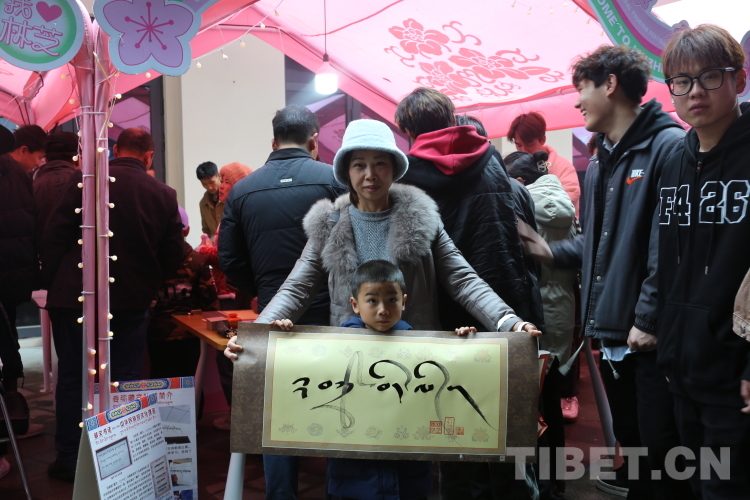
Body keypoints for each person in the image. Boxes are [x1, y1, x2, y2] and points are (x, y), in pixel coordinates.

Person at [519, 45, 692, 500]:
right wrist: (551, 252)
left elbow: (669, 247)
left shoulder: (669, 147)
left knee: (663, 454)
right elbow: (599, 241)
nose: (578, 102)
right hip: (615, 330)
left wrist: (648, 319)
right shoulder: (600, 161)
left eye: (582, 89)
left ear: (610, 84)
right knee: (632, 443)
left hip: (649, 337)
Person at [396, 88, 543, 499]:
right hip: (504, 301)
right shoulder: (491, 160)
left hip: (449, 311)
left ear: (408, 130)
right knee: (504, 422)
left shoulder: (409, 175)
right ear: (451, 117)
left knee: (452, 420)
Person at [42, 128, 183, 482]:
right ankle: (119, 463)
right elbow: (173, 254)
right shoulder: (163, 193)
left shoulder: (84, 180)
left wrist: (57, 280)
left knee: (73, 376)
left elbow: (54, 236)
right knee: (124, 379)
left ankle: (69, 457)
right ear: (149, 156)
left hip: (73, 296)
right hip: (131, 299)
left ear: (117, 150)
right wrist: (149, 282)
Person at [269, 259, 477, 500]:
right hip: (353, 477)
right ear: (355, 305)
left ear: (404, 302)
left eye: (391, 300)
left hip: (407, 476)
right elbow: (303, 371)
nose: (383, 309)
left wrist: (461, 344)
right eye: (372, 301)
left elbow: (447, 383)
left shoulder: (421, 347)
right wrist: (284, 337)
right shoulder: (336, 346)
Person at [218, 104, 343, 498]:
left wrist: (261, 288)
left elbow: (229, 259)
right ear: (314, 141)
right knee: (338, 403)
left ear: (273, 142)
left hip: (273, 312)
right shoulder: (334, 180)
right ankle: (336, 489)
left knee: (279, 409)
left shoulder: (242, 190)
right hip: (331, 311)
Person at [657, 24, 750, 499]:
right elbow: (666, 263)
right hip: (681, 367)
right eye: (682, 80)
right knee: (691, 485)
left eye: (710, 76)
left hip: (736, 379)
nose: (695, 91)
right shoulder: (674, 158)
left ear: (740, 79)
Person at [507, 150, 576, 499]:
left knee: (534, 404)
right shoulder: (564, 200)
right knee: (552, 399)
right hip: (563, 308)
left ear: (519, 181)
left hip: (537, 312)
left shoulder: (520, 201)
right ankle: (556, 481)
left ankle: (540, 483)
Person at [196, 161, 252, 430]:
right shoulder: (236, 209)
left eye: (225, 180)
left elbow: (227, 256)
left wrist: (204, 251)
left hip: (241, 296)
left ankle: (238, 416)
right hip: (236, 294)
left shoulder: (239, 213)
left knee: (231, 352)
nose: (219, 186)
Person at [147, 206, 219, 379]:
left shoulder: (148, 261)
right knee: (190, 382)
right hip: (190, 334)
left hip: (156, 333)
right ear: (187, 231)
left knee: (160, 382)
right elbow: (210, 303)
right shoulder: (198, 261)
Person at [507, 112, 581, 215]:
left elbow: (569, 200)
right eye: (518, 145)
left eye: (529, 144)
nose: (523, 150)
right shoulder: (511, 166)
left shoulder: (563, 166)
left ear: (542, 139)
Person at [34, 132, 79, 247]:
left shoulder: (33, 186)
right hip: (81, 255)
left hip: (43, 254)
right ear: (77, 158)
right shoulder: (85, 184)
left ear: (46, 159)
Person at [196, 161, 223, 237]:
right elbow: (206, 230)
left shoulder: (232, 196)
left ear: (218, 176)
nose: (209, 187)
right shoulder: (203, 203)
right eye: (204, 184)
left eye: (211, 182)